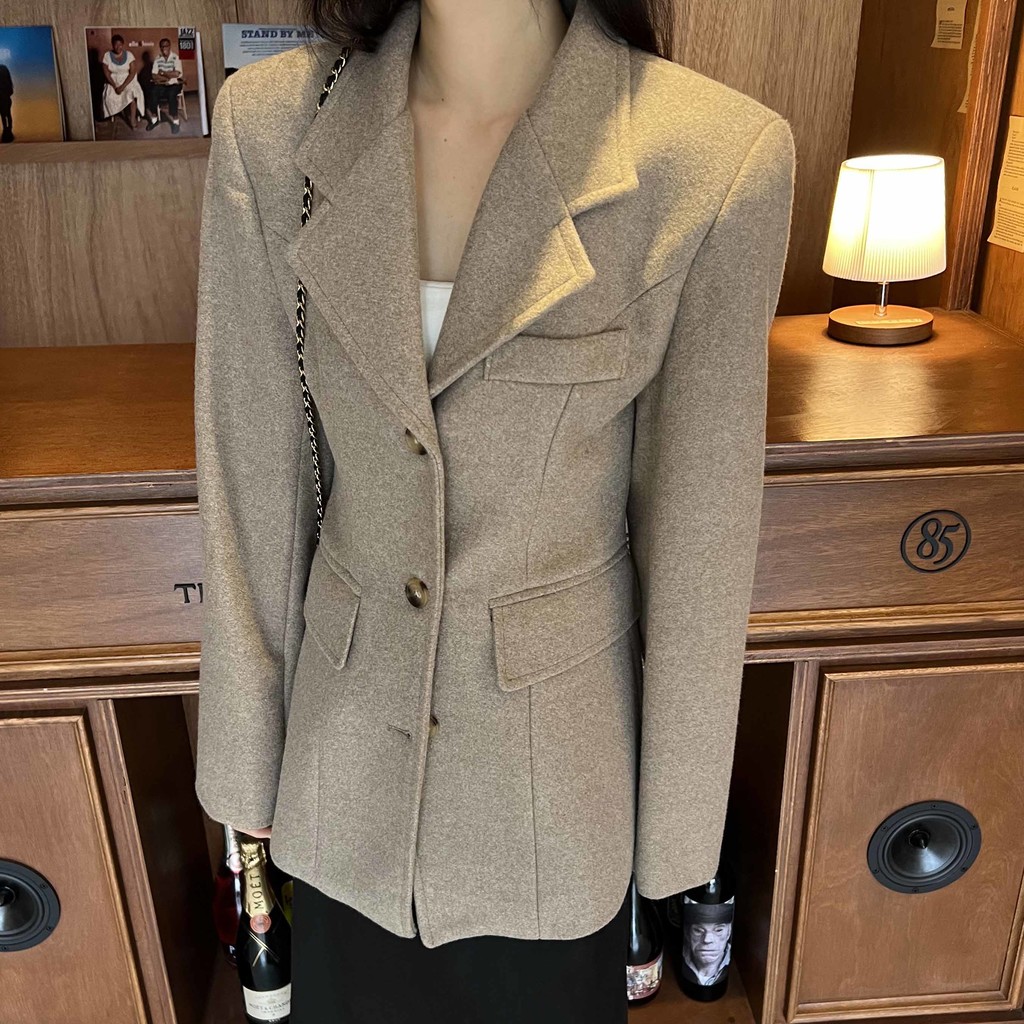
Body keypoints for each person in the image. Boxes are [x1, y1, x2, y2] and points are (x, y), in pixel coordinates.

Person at [192, 0, 797, 1020]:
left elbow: (698, 542)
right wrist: (245, 768)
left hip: (550, 794)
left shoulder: (712, 159)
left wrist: (675, 840)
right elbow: (251, 474)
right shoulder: (273, 126)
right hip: (342, 777)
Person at [99, 34, 145, 128]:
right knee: (109, 96)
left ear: (123, 45)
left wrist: (123, 86)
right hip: (113, 80)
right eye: (116, 45)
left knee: (132, 95)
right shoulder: (107, 56)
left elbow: (132, 72)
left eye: (120, 45)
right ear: (112, 45)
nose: (118, 47)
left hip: (128, 80)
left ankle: (132, 120)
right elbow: (106, 73)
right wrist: (115, 86)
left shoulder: (129, 55)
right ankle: (113, 112)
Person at [144, 37, 184, 134]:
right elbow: (154, 75)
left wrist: (162, 73)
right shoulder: (158, 59)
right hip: (162, 84)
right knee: (152, 92)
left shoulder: (175, 57)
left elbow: (177, 74)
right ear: (160, 48)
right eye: (162, 46)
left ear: (169, 46)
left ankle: (176, 122)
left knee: (171, 94)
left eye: (166, 46)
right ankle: (154, 120)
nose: (164, 48)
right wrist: (167, 77)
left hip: (175, 83)